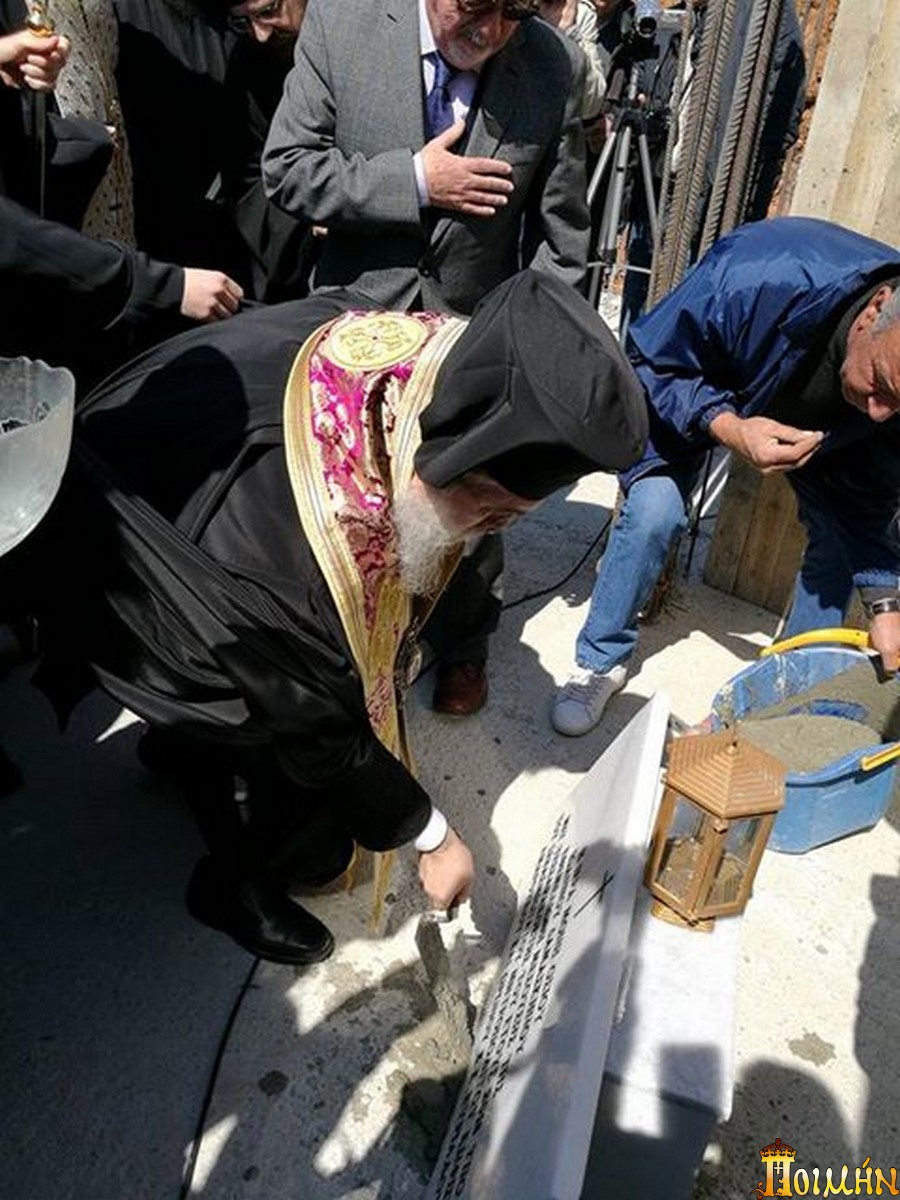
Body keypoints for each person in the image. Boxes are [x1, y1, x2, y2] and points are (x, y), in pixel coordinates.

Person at [16, 271, 647, 966]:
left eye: (513, 518)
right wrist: (431, 835)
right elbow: (314, 717)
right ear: (446, 462)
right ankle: (227, 882)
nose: (489, 533)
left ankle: (184, 749)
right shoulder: (296, 551)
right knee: (310, 837)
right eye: (491, 510)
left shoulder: (427, 370)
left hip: (184, 506)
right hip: (133, 558)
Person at [261, 0, 591, 716]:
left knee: (469, 497)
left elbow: (560, 237)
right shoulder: (343, 22)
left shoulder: (549, 62)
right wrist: (413, 181)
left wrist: (532, 355)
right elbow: (286, 169)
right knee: (345, 503)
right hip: (353, 325)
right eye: (473, 6)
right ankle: (343, 645)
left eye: (514, 12)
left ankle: (465, 641)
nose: (491, 30)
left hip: (466, 332)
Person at [552, 216, 900, 737]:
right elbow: (651, 365)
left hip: (814, 433)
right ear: (874, 310)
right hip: (696, 392)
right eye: (880, 383)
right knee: (654, 512)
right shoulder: (757, 273)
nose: (878, 412)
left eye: (896, 404)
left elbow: (868, 498)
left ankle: (787, 695)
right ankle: (599, 662)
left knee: (835, 543)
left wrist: (885, 602)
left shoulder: (886, 395)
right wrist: (730, 427)